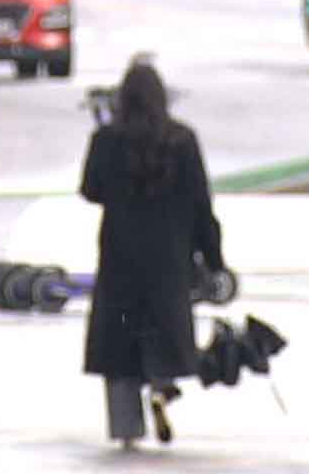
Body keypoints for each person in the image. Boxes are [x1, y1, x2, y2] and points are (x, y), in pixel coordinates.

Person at [80, 58, 223, 448]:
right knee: (162, 335)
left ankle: (127, 431)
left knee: (120, 349)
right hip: (169, 262)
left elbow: (90, 190)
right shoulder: (182, 140)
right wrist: (215, 262)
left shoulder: (107, 140)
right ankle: (161, 387)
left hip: (120, 260)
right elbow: (201, 206)